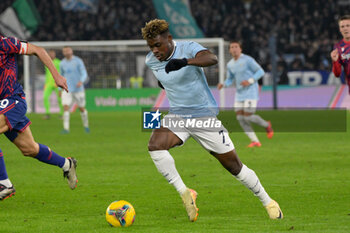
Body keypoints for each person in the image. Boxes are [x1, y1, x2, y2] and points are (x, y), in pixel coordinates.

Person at [142, 19, 283, 222]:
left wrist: (185, 62)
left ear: (169, 39)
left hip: (204, 117)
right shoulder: (151, 60)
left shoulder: (188, 48)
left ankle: (268, 202)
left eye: (157, 45)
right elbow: (163, 79)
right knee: (155, 145)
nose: (154, 50)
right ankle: (185, 192)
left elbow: (211, 58)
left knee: (235, 167)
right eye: (150, 47)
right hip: (178, 115)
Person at [0, 36, 78, 200]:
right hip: (2, 106)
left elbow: (38, 50)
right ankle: (66, 164)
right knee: (29, 149)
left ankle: (4, 183)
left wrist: (56, 76)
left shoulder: (6, 43)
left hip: (13, 101)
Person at [217, 41, 273, 148]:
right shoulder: (230, 64)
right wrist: (223, 84)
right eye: (232, 47)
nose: (234, 49)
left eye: (236, 47)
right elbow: (230, 79)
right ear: (229, 50)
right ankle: (255, 141)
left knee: (248, 117)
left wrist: (250, 81)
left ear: (240, 49)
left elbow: (260, 71)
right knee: (240, 118)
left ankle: (267, 125)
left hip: (251, 91)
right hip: (240, 93)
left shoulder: (247, 60)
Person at [60, 46, 90, 134]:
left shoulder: (78, 61)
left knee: (81, 108)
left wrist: (81, 81)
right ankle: (66, 129)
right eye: (65, 51)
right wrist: (59, 88)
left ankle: (86, 126)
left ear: (71, 51)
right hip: (67, 89)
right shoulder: (62, 63)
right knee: (65, 107)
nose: (67, 52)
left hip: (78, 89)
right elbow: (61, 76)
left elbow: (84, 73)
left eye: (68, 50)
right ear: (63, 53)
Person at [331, 15, 350, 93]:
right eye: (342, 26)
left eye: (348, 25)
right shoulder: (338, 47)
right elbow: (337, 74)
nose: (345, 28)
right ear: (340, 29)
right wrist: (335, 61)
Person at [43, 50, 63, 119]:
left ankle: (61, 114)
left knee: (60, 99)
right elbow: (47, 74)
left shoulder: (59, 62)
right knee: (45, 97)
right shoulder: (46, 62)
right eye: (50, 54)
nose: (51, 55)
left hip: (57, 83)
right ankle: (47, 113)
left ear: (55, 54)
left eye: (52, 53)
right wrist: (45, 83)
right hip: (48, 83)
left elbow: (61, 72)